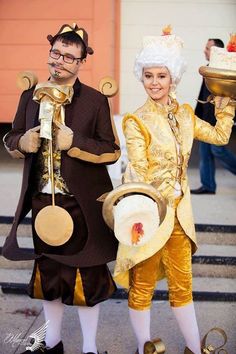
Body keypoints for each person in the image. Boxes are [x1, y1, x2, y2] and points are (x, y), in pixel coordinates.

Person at [111, 30, 234, 354]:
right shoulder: (136, 120)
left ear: (172, 77)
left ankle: (194, 348)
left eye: (161, 75)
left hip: (181, 218)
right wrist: (139, 213)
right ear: (142, 77)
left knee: (183, 287)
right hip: (150, 217)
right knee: (143, 287)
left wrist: (226, 103)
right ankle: (143, 347)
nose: (154, 82)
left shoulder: (184, 114)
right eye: (148, 76)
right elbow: (139, 170)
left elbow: (220, 136)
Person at [3, 23, 120, 354]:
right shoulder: (30, 95)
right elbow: (10, 136)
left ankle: (90, 349)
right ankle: (51, 344)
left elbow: (111, 151)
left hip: (82, 204)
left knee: (86, 278)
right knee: (49, 277)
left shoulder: (96, 100)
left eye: (70, 57)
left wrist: (75, 142)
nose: (61, 61)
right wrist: (21, 142)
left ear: (81, 61)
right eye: (56, 53)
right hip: (42, 202)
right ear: (49, 52)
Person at [191, 38, 236, 194]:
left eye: (208, 48)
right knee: (204, 153)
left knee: (218, 151)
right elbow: (203, 95)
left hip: (218, 120)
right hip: (205, 119)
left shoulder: (225, 71)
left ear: (217, 51)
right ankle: (208, 185)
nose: (205, 50)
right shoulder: (209, 69)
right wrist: (196, 117)